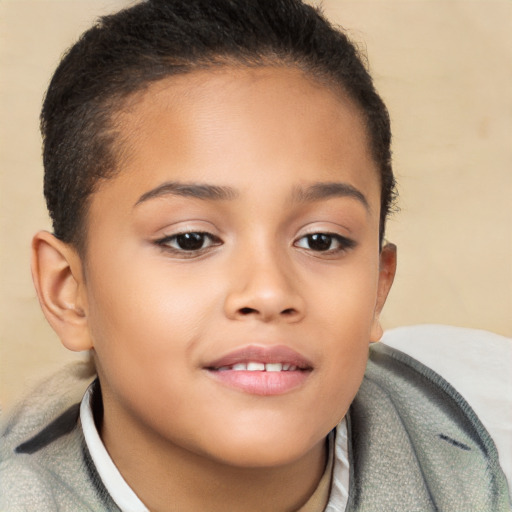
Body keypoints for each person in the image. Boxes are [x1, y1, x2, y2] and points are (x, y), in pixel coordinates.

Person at [0, 0, 510, 510]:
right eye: (190, 239)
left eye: (321, 240)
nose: (269, 292)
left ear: (379, 287)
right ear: (69, 291)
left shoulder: (487, 438)